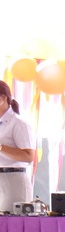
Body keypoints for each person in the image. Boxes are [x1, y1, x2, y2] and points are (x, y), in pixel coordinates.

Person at [0, 81, 32, 211]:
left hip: (13, 179)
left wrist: (1, 147)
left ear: (2, 98)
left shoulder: (19, 123)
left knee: (13, 225)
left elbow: (28, 156)